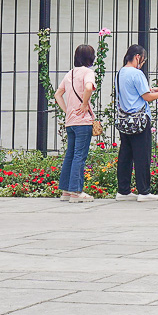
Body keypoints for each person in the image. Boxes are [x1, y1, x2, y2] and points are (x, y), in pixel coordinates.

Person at [115, 44, 158, 201]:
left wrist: (151, 90)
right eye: (143, 60)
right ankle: (144, 191)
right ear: (137, 57)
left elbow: (137, 92)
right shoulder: (137, 73)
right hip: (140, 119)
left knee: (125, 154)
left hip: (125, 120)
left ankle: (123, 190)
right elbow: (146, 97)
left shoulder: (120, 73)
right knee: (142, 156)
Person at [56, 44, 98, 203]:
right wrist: (84, 104)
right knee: (80, 156)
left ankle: (66, 191)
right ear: (90, 58)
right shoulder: (88, 72)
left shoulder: (69, 74)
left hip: (71, 122)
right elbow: (88, 87)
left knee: (71, 155)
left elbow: (58, 94)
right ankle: (76, 192)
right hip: (83, 122)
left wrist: (67, 110)